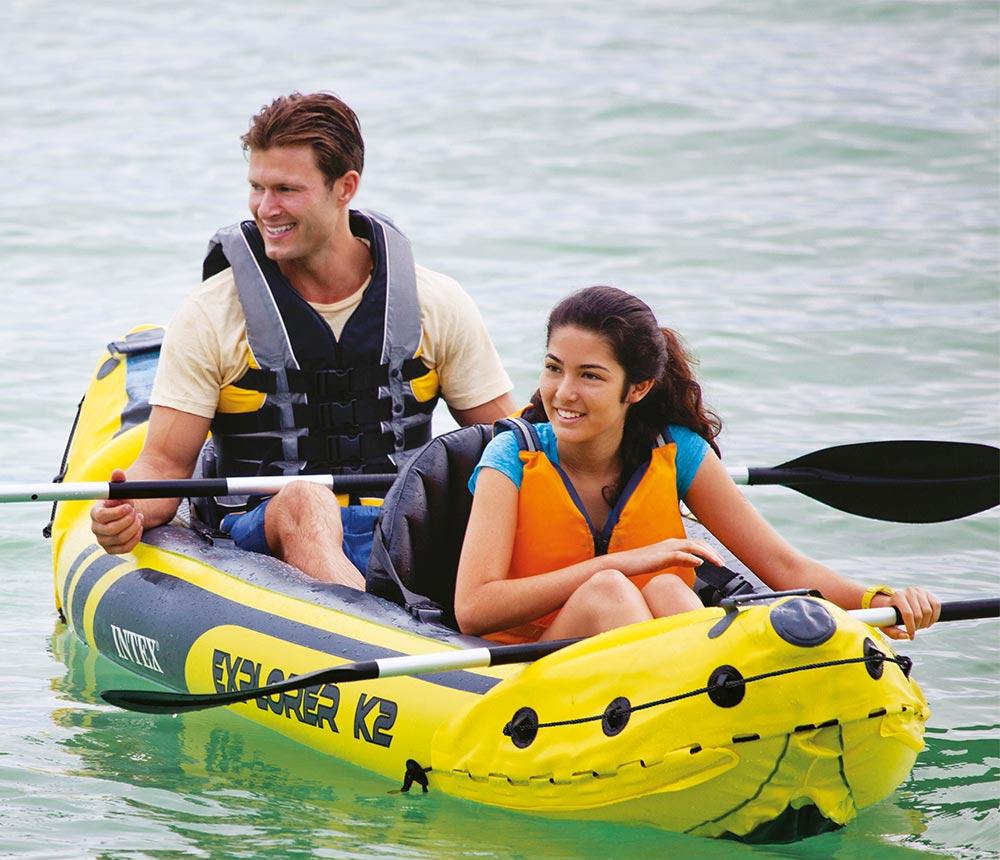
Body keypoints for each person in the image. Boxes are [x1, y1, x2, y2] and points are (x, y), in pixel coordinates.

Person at [91, 92, 515, 587]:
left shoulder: (435, 302)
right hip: (263, 530)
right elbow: (165, 464)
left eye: (286, 190)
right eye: (257, 187)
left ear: (345, 187)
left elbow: (507, 441)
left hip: (401, 526)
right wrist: (130, 511)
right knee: (304, 498)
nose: (266, 208)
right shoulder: (211, 313)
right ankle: (365, 618)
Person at [454, 285, 940, 644]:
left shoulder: (675, 450)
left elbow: (782, 564)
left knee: (668, 587)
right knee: (608, 591)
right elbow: (473, 609)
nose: (563, 393)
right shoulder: (510, 456)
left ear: (637, 388)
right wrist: (618, 564)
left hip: (642, 661)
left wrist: (876, 601)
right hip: (527, 668)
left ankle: (699, 708)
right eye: (553, 368)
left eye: (591, 376)